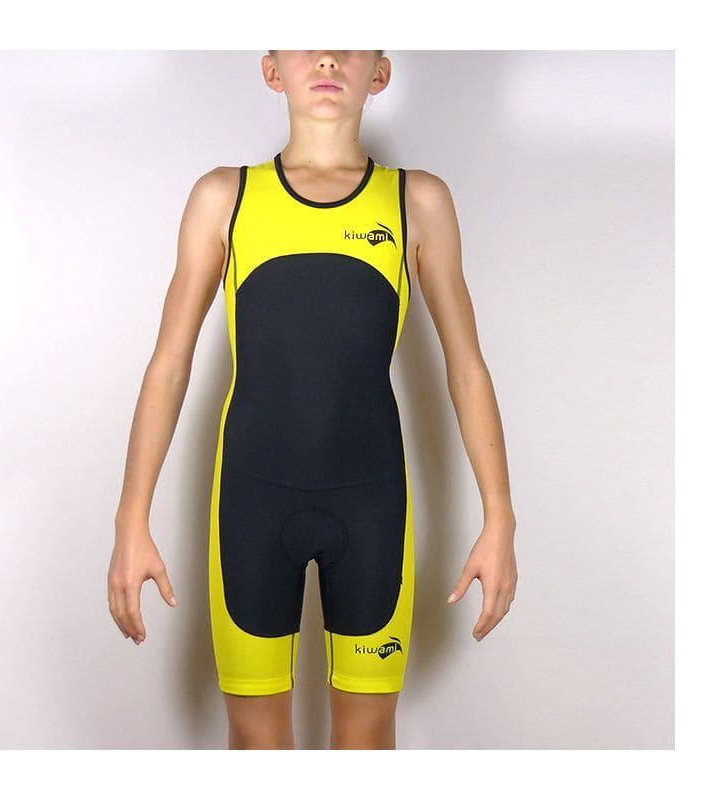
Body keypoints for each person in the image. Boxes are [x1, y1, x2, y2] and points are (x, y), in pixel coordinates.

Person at [108, 49, 518, 750]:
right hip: (251, 504)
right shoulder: (225, 197)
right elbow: (169, 366)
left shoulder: (417, 200)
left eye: (349, 40)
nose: (328, 56)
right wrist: (130, 520)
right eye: (306, 38)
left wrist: (500, 517)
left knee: (366, 740)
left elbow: (467, 369)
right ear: (272, 70)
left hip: (372, 504)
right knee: (257, 743)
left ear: (379, 73)